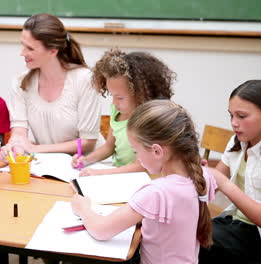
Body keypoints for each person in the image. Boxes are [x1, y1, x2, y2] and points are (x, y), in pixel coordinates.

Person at [72, 100, 217, 264]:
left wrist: (83, 208)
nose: (137, 158)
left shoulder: (157, 192)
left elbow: (101, 230)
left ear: (157, 151)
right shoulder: (203, 175)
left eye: (136, 151)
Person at [0, 13, 103, 159]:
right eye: (23, 45)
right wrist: (15, 145)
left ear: (53, 51)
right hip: (46, 167)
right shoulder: (21, 83)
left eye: (30, 48)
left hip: (88, 166)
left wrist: (35, 149)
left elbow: (87, 143)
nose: (22, 53)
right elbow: (19, 134)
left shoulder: (85, 79)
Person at [199, 80, 261, 263]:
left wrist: (225, 184)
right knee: (186, 233)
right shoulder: (238, 141)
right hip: (235, 222)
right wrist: (197, 172)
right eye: (231, 115)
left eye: (241, 116)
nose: (234, 123)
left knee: (198, 243)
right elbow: (212, 184)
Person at [71, 48, 175, 176]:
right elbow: (109, 147)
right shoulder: (117, 111)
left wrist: (101, 173)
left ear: (140, 94)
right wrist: (86, 160)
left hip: (143, 180)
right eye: (111, 95)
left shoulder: (150, 121)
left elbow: (140, 166)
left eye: (119, 97)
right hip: (120, 176)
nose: (114, 103)